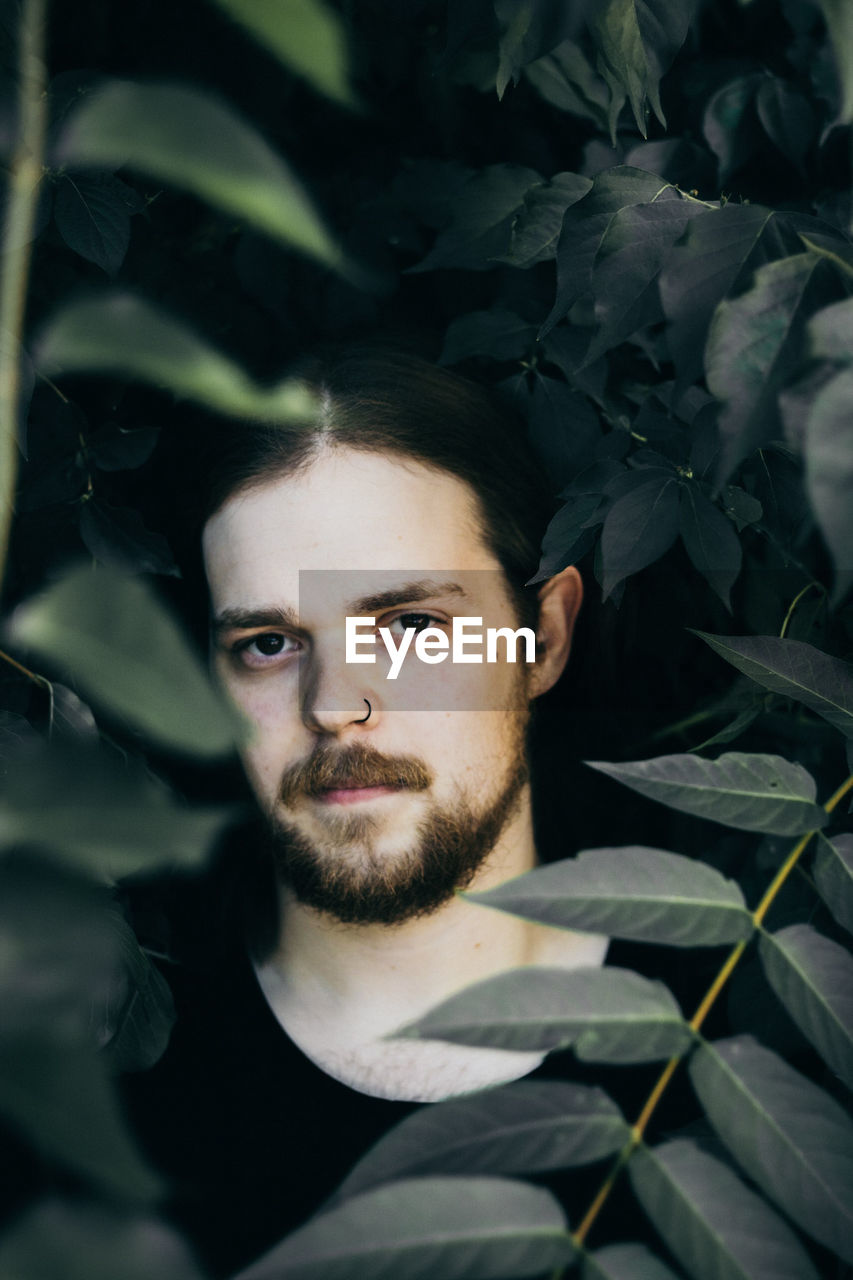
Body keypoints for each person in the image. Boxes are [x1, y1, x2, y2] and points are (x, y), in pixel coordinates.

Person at [125, 347, 610, 1274]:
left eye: (411, 625)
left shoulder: (771, 1035)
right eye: (268, 642)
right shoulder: (105, 1112)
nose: (333, 705)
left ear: (540, 640)